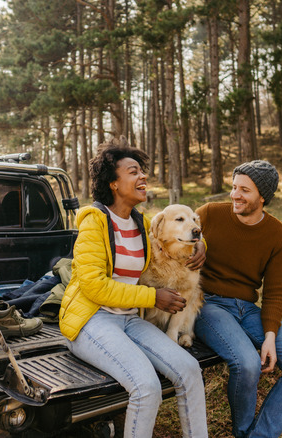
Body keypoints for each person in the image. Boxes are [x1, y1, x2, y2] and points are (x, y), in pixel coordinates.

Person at [59, 139, 208, 438]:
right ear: (113, 183)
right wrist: (153, 297)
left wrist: (202, 243)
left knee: (190, 371)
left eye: (142, 171)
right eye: (133, 171)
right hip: (92, 320)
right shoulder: (94, 222)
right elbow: (94, 286)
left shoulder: (142, 222)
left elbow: (178, 227)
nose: (142, 177)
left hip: (130, 318)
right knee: (146, 386)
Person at [188, 160, 282, 438]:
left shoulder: (277, 234)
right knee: (247, 363)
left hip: (248, 309)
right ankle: (244, 431)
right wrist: (197, 242)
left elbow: (274, 291)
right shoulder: (210, 213)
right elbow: (178, 231)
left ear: (263, 196)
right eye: (234, 187)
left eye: (244, 190)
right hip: (208, 303)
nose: (235, 195)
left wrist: (269, 335)